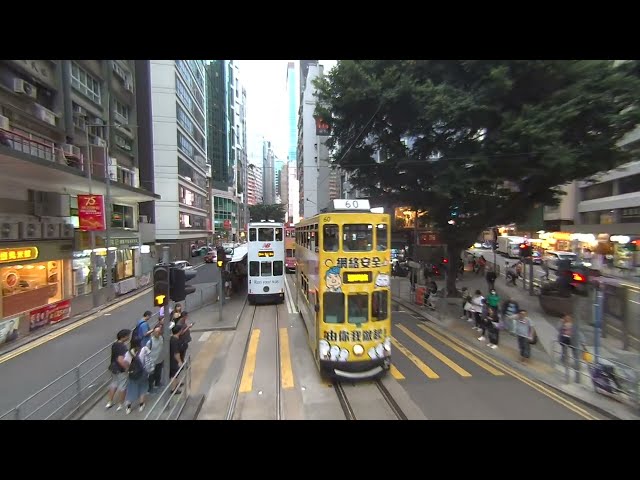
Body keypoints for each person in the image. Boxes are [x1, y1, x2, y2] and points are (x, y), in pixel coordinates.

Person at [123, 337, 152, 414]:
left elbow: (126, 365)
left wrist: (129, 371)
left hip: (133, 374)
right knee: (143, 388)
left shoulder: (128, 353)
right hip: (143, 373)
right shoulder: (144, 349)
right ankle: (141, 405)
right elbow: (149, 359)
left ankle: (128, 407)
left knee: (131, 389)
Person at [105, 329, 131, 411]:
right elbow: (120, 360)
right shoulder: (122, 347)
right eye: (128, 335)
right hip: (120, 369)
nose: (129, 337)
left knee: (114, 384)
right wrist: (127, 368)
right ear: (124, 337)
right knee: (123, 386)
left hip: (113, 368)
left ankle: (109, 402)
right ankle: (120, 403)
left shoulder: (115, 344)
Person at [147, 326, 164, 391]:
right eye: (156, 332)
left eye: (159, 331)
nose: (158, 333)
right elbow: (147, 352)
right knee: (151, 376)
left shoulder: (161, 338)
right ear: (153, 332)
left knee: (158, 373)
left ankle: (158, 383)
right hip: (152, 362)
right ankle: (150, 388)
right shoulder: (150, 342)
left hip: (159, 359)